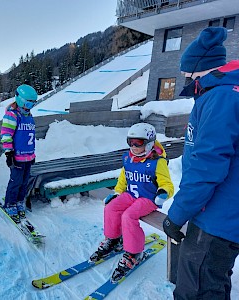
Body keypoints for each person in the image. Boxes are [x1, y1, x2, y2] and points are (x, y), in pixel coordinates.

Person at [162, 26, 239, 299]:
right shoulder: (223, 93)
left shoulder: (221, 97)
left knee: (194, 291)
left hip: (217, 220)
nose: (185, 80)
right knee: (213, 286)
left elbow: (208, 166)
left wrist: (178, 214)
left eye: (187, 75)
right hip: (223, 216)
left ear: (201, 70)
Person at [90, 123, 174, 282]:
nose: (134, 146)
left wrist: (163, 193)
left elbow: (167, 184)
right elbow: (124, 177)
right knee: (111, 208)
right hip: (131, 194)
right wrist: (117, 192)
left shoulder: (158, 162)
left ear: (149, 143)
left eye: (139, 143)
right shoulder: (129, 158)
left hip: (148, 198)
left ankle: (134, 252)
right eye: (131, 142)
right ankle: (114, 239)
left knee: (128, 216)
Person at [0, 84, 38, 223]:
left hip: (28, 156)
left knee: (24, 182)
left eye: (33, 103)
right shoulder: (12, 115)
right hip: (17, 156)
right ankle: (10, 203)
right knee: (15, 181)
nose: (31, 105)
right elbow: (6, 135)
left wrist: (32, 154)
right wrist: (9, 153)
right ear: (21, 100)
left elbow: (30, 136)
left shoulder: (29, 115)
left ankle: (19, 201)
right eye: (29, 102)